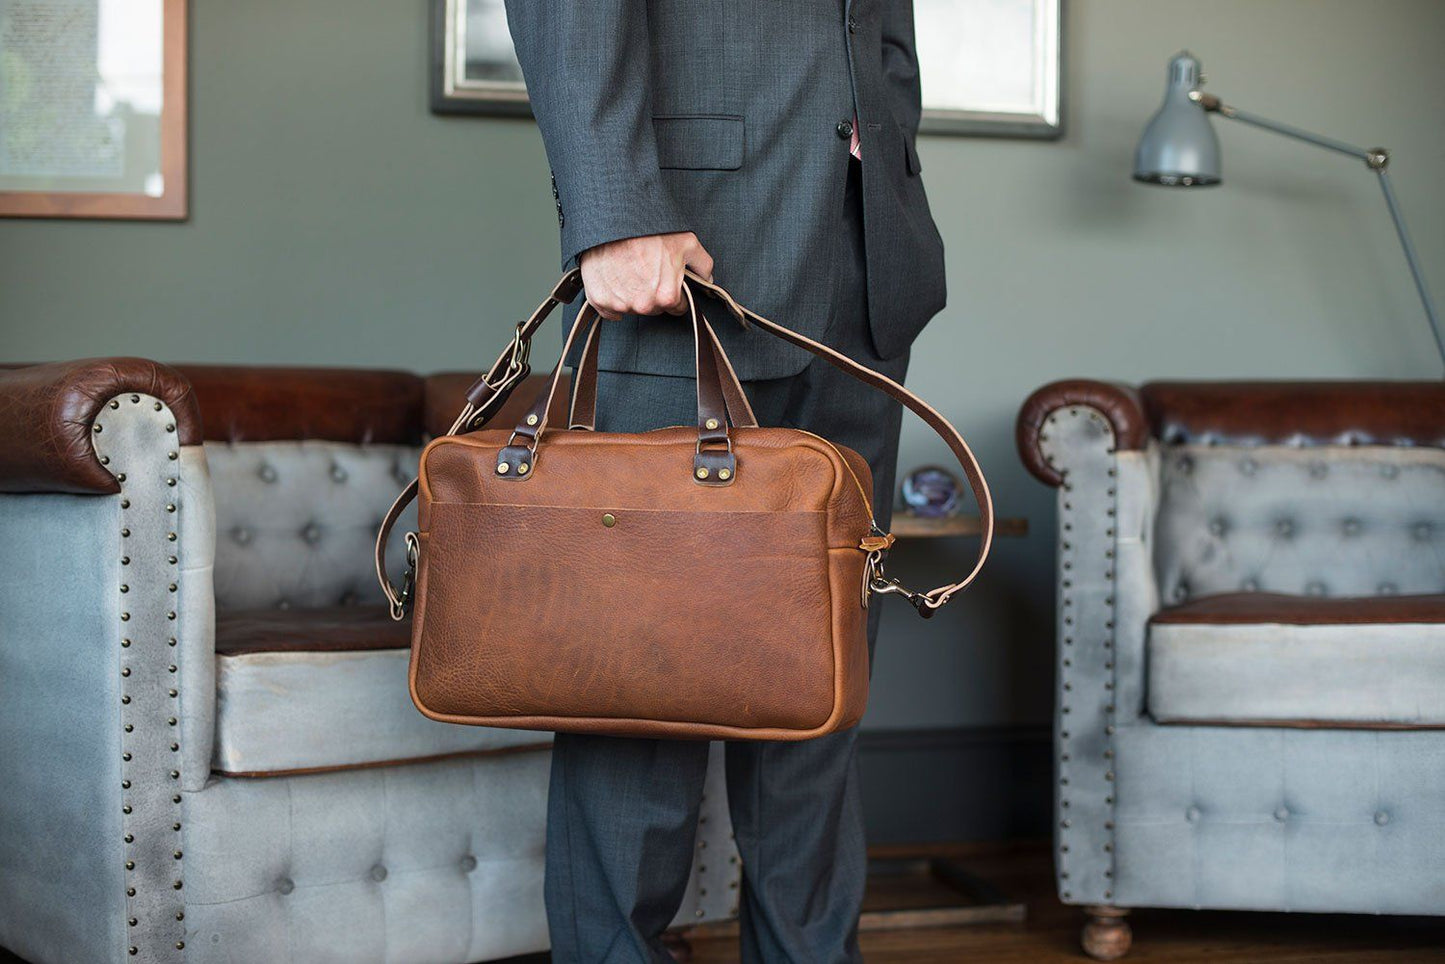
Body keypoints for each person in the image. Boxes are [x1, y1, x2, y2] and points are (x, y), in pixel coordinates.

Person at [503, 3, 947, 960]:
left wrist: (886, 158)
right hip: (684, 257)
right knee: (640, 684)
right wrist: (615, 211)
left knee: (818, 688)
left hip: (862, 267)